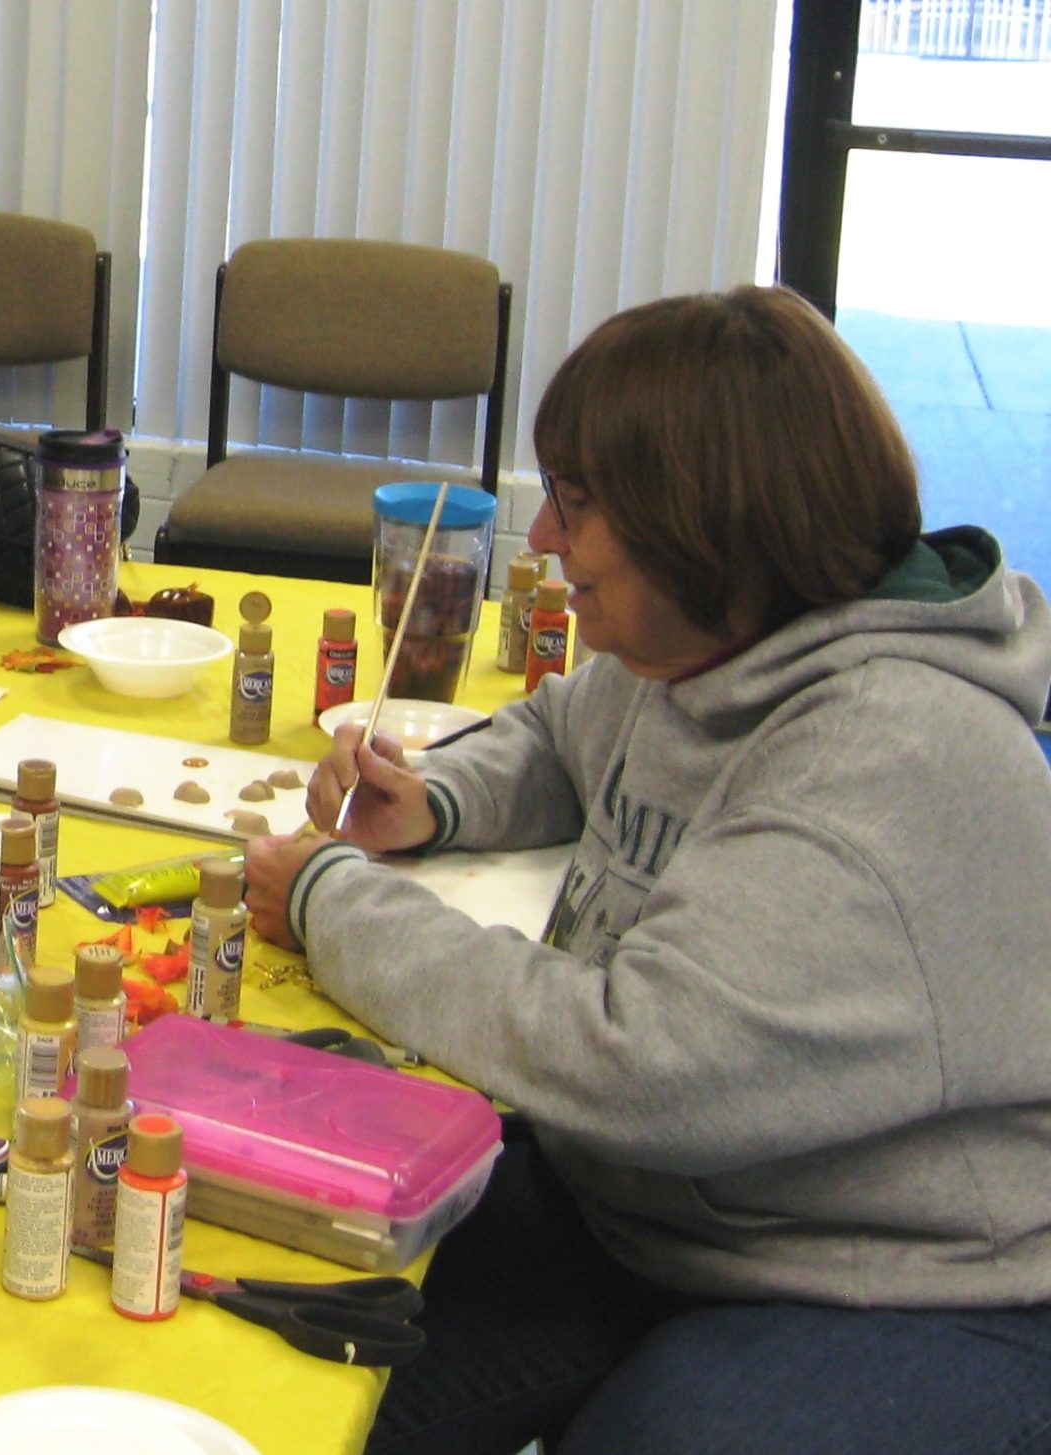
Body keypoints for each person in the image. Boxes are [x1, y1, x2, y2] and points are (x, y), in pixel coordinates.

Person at [241, 286, 1051, 1454]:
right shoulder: (715, 639)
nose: (541, 541)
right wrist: (437, 801)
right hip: (657, 1207)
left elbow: (637, 1062)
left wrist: (331, 902)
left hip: (910, 1280)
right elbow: (569, 732)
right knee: (300, 1350)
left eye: (577, 504)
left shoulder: (884, 763)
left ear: (703, 525)